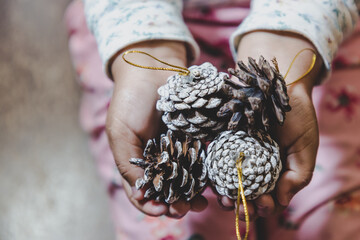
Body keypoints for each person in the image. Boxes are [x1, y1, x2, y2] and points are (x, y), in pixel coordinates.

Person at [65, 0, 360, 239]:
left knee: (330, 218)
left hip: (309, 28)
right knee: (166, 226)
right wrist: (147, 50)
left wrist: (286, 39)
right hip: (140, 28)